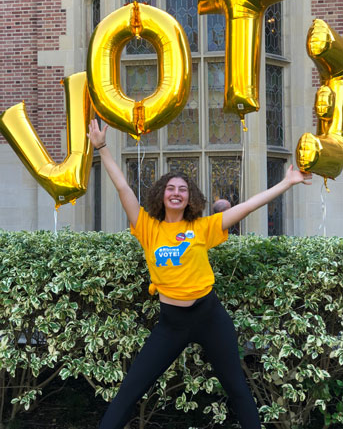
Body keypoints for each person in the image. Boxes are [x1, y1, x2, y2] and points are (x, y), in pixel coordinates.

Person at [87, 119, 312, 429]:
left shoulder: (201, 228)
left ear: (190, 198)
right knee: (130, 390)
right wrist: (101, 147)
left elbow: (246, 207)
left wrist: (287, 183)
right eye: (171, 188)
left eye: (183, 189)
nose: (176, 193)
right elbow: (123, 187)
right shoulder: (147, 227)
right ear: (162, 195)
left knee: (237, 388)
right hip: (171, 324)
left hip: (209, 317)